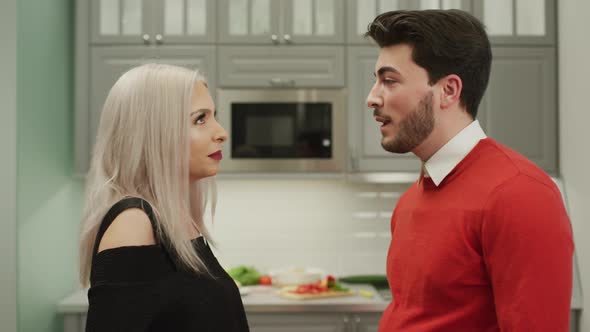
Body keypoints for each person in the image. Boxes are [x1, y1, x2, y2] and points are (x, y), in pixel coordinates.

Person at [365, 10, 574, 332]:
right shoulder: (412, 199)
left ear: (448, 91)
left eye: (389, 81)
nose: (372, 97)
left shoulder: (520, 194)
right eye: (376, 80)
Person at [78, 64, 249, 331]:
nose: (221, 132)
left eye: (213, 116)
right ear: (154, 131)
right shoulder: (134, 222)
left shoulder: (176, 219)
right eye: (200, 119)